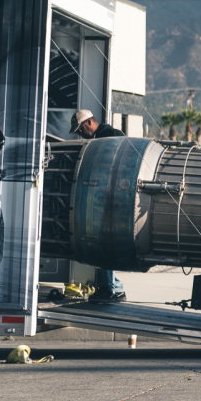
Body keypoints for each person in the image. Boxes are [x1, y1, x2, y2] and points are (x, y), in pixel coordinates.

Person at [71, 109, 128, 303]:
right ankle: (116, 287)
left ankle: (108, 289)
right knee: (100, 246)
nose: (80, 134)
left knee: (101, 246)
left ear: (88, 123)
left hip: (109, 202)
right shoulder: (107, 135)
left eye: (80, 130)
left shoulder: (105, 138)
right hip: (111, 201)